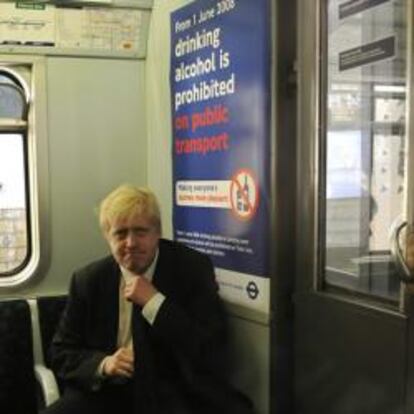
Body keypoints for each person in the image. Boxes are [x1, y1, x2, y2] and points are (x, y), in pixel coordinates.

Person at [43, 184, 253, 414]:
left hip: (173, 389)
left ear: (157, 232)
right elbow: (61, 352)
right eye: (120, 233)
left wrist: (155, 302)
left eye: (140, 232)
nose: (131, 243)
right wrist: (104, 364)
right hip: (108, 390)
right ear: (107, 236)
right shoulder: (89, 280)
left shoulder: (192, 268)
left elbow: (209, 348)